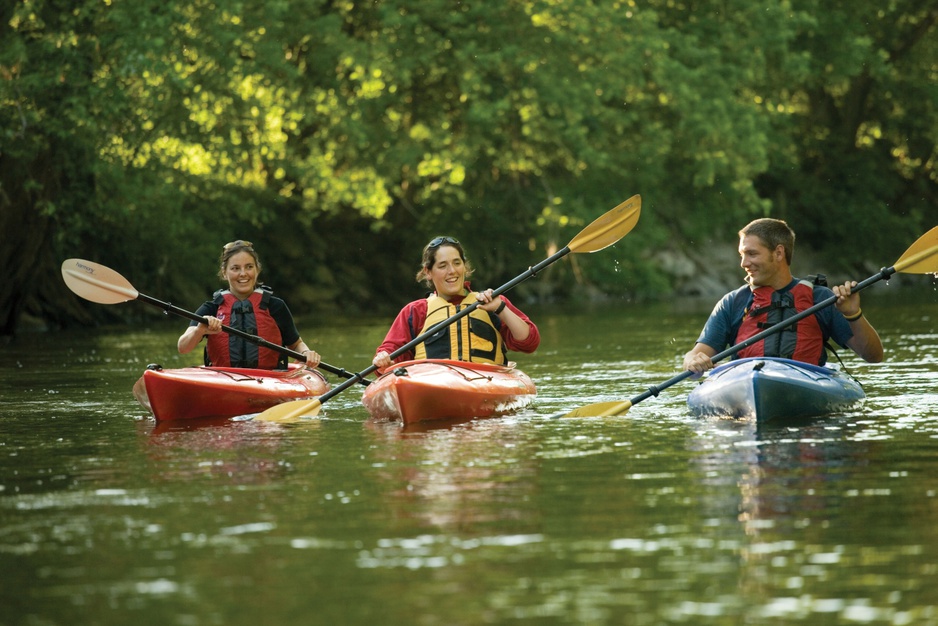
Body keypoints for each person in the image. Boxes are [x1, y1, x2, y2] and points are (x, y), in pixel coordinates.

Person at [683, 218, 884, 374]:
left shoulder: (821, 298)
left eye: (752, 254)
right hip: (746, 382)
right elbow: (696, 355)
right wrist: (693, 361)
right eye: (741, 255)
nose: (743, 263)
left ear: (778, 253)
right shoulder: (732, 303)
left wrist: (853, 314)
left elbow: (873, 356)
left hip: (805, 380)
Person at [372, 236, 540, 370]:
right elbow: (389, 356)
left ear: (465, 267)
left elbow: (529, 343)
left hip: (487, 380)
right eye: (442, 265)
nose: (452, 271)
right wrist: (383, 359)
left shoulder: (493, 302)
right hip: (432, 383)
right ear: (428, 272)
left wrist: (500, 308)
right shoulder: (416, 311)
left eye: (457, 263)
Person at [177, 239, 321, 369]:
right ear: (224, 272)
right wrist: (199, 330)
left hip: (269, 380)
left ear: (257, 270)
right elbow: (183, 348)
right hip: (224, 378)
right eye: (235, 268)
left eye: (249, 267)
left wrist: (307, 353)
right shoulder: (211, 308)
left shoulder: (275, 306)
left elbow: (295, 345)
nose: (243, 273)